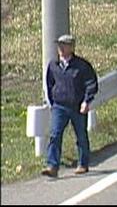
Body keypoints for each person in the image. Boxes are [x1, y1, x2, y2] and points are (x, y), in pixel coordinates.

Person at [42, 34, 98, 178]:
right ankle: (52, 165)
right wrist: (53, 102)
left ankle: (83, 163)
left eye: (64, 45)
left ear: (71, 47)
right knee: (55, 134)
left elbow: (91, 84)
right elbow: (50, 84)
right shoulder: (53, 65)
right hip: (59, 106)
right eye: (59, 45)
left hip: (77, 105)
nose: (60, 48)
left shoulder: (82, 65)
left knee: (81, 135)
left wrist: (86, 101)